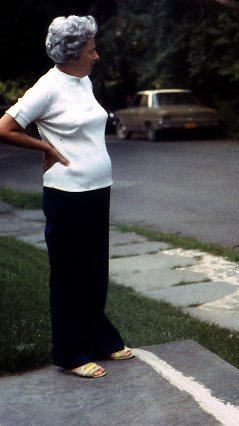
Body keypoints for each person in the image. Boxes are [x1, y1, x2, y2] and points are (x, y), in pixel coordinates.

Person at [0, 15, 133, 378]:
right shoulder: (48, 87)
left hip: (97, 188)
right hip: (67, 193)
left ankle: (100, 340)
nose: (97, 55)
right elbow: (5, 128)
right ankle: (71, 353)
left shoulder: (83, 80)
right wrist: (45, 146)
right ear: (73, 54)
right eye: (91, 50)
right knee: (70, 273)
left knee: (95, 271)